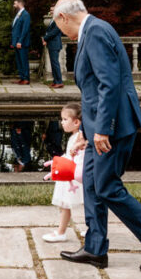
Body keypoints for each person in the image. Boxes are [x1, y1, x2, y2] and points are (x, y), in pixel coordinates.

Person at [53, 0, 141, 272]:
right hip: (98, 125)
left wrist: (101, 129)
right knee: (91, 184)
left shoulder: (96, 32)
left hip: (113, 127)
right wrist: (86, 130)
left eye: (58, 26)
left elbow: (108, 85)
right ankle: (95, 250)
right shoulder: (94, 29)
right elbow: (94, 89)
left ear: (63, 18)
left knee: (107, 186)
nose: (60, 33)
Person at [42, 102, 87, 242]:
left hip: (74, 176)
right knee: (68, 204)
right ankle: (91, 228)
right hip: (71, 175)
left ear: (76, 122)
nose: (62, 123)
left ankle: (61, 233)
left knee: (67, 204)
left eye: (65, 119)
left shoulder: (80, 138)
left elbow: (78, 156)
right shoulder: (75, 137)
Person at [10, 0, 32, 84]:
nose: (14, 5)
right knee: (19, 61)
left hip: (22, 42)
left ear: (20, 4)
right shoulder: (18, 14)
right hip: (16, 42)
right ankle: (22, 77)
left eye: (15, 4)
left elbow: (25, 30)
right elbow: (15, 29)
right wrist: (14, 42)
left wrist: (20, 41)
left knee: (23, 61)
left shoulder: (25, 14)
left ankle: (26, 79)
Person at [43, 6, 64, 88]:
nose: (50, 11)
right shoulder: (53, 19)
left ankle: (59, 82)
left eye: (52, 10)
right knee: (53, 64)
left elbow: (54, 32)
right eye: (50, 10)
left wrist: (45, 38)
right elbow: (49, 31)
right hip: (51, 44)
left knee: (55, 64)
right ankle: (55, 81)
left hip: (55, 44)